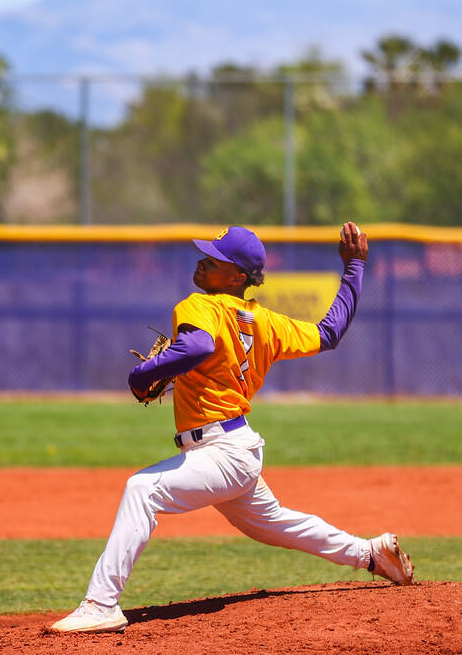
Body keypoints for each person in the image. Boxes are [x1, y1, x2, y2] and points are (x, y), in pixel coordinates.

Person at [49, 221, 414, 634]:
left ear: (238, 276)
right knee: (277, 523)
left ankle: (101, 604)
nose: (203, 261)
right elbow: (329, 332)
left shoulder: (198, 306)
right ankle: (372, 553)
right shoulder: (267, 322)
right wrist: (354, 268)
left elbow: (198, 346)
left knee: (142, 489)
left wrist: (143, 373)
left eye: (215, 259)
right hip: (236, 449)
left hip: (220, 451)